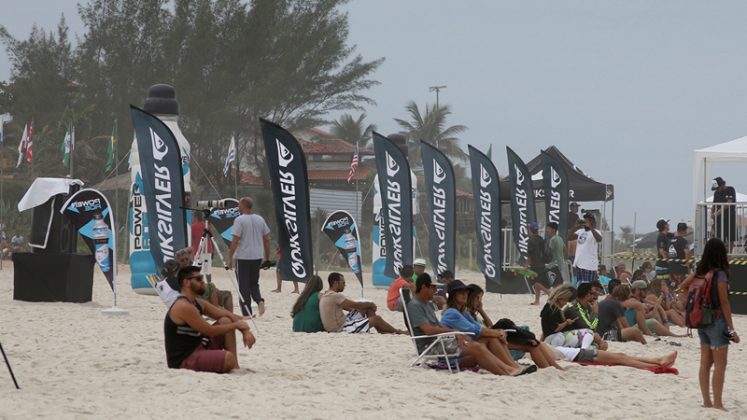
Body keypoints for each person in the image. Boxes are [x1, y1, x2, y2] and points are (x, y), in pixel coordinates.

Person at [406, 274, 534, 376]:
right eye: (433, 287)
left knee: (485, 341)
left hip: (442, 342)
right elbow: (428, 330)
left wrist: (455, 333)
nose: (435, 290)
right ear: (423, 287)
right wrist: (454, 332)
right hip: (431, 346)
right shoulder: (415, 306)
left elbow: (438, 327)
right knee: (477, 347)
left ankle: (511, 368)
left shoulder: (426, 304)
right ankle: (507, 371)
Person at [679, 238, 740, 411]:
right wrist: (731, 329)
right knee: (721, 364)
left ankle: (706, 401)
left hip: (701, 321)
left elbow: (683, 286)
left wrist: (690, 304)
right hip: (717, 320)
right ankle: (718, 403)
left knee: (705, 363)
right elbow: (724, 302)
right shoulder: (720, 274)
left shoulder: (700, 270)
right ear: (722, 253)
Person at [164, 265, 255, 373]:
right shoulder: (183, 306)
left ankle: (235, 367)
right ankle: (231, 363)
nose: (202, 282)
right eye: (198, 279)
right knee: (228, 358)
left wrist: (245, 331)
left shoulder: (196, 302)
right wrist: (237, 325)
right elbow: (209, 331)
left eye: (201, 278)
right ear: (186, 282)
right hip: (185, 359)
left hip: (199, 345)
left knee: (225, 320)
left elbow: (224, 313)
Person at [464, 283, 563, 370]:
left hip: (495, 338)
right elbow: (481, 331)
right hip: (491, 341)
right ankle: (547, 367)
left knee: (535, 343)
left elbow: (490, 325)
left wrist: (481, 311)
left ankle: (554, 368)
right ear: (471, 298)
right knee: (506, 324)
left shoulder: (474, 315)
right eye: (478, 298)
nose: (480, 301)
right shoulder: (466, 315)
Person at [319, 272, 404, 334]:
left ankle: (381, 330)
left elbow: (350, 307)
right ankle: (398, 332)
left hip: (341, 323)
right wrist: (370, 304)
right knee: (376, 318)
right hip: (341, 328)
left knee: (365, 308)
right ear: (336, 283)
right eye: (343, 283)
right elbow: (355, 305)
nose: (345, 285)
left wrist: (365, 307)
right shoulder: (335, 296)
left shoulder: (327, 294)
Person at [227, 197, 270, 317]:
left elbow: (235, 241)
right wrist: (267, 256)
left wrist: (230, 257)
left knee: (243, 285)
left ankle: (247, 313)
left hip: (243, 257)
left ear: (244, 205)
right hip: (257, 256)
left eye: (239, 205)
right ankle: (259, 300)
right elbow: (267, 239)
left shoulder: (239, 220)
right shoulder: (260, 219)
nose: (238, 207)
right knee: (254, 283)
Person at [570, 212, 602, 284]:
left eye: (588, 220)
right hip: (579, 264)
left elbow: (599, 239)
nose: (586, 221)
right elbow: (569, 237)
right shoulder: (580, 231)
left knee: (588, 286)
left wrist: (591, 227)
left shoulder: (596, 232)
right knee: (580, 285)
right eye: (585, 220)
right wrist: (575, 226)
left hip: (589, 265)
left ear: (592, 222)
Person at [525, 222, 551, 305]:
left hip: (535, 265)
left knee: (536, 283)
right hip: (542, 264)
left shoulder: (531, 240)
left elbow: (530, 255)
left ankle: (548, 292)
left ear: (530, 230)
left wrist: (525, 266)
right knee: (537, 283)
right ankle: (537, 301)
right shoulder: (541, 239)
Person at [711, 177, 737, 250]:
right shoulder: (716, 193)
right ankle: (720, 252)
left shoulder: (730, 189)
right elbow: (714, 204)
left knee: (730, 237)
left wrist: (717, 213)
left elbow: (728, 203)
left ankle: (730, 254)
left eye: (718, 188)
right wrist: (712, 213)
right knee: (719, 236)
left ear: (722, 184)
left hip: (729, 217)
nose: (717, 190)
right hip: (719, 220)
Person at [191, 210, 214, 283]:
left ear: (195, 217)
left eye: (193, 216)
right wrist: (213, 251)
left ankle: (200, 285)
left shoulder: (192, 227)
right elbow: (211, 239)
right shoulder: (207, 226)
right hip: (208, 250)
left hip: (198, 251)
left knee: (198, 270)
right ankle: (209, 285)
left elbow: (191, 240)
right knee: (207, 270)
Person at [668, 222, 692, 288]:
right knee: (682, 288)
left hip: (671, 269)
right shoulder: (683, 241)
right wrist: (687, 264)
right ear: (684, 230)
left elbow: (668, 254)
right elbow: (687, 252)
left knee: (673, 288)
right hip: (681, 269)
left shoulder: (671, 240)